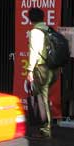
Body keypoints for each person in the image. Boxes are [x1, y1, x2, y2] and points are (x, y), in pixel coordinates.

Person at [26, 8, 58, 138]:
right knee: (43, 97)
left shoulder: (35, 31)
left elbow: (34, 51)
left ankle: (46, 128)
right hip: (52, 67)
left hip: (41, 68)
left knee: (42, 98)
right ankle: (44, 126)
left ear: (30, 18)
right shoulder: (49, 29)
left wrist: (29, 70)